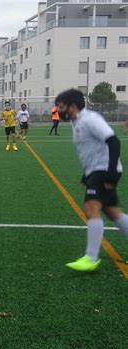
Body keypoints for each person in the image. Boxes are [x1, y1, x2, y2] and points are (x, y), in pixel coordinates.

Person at [55, 89, 128, 272]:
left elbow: (113, 141)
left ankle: (91, 257)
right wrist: (86, 175)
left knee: (91, 208)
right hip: (96, 171)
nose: (58, 110)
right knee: (113, 213)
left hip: (104, 170)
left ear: (72, 106)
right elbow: (90, 150)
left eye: (61, 106)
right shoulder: (76, 121)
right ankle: (91, 257)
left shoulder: (89, 119)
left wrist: (110, 173)